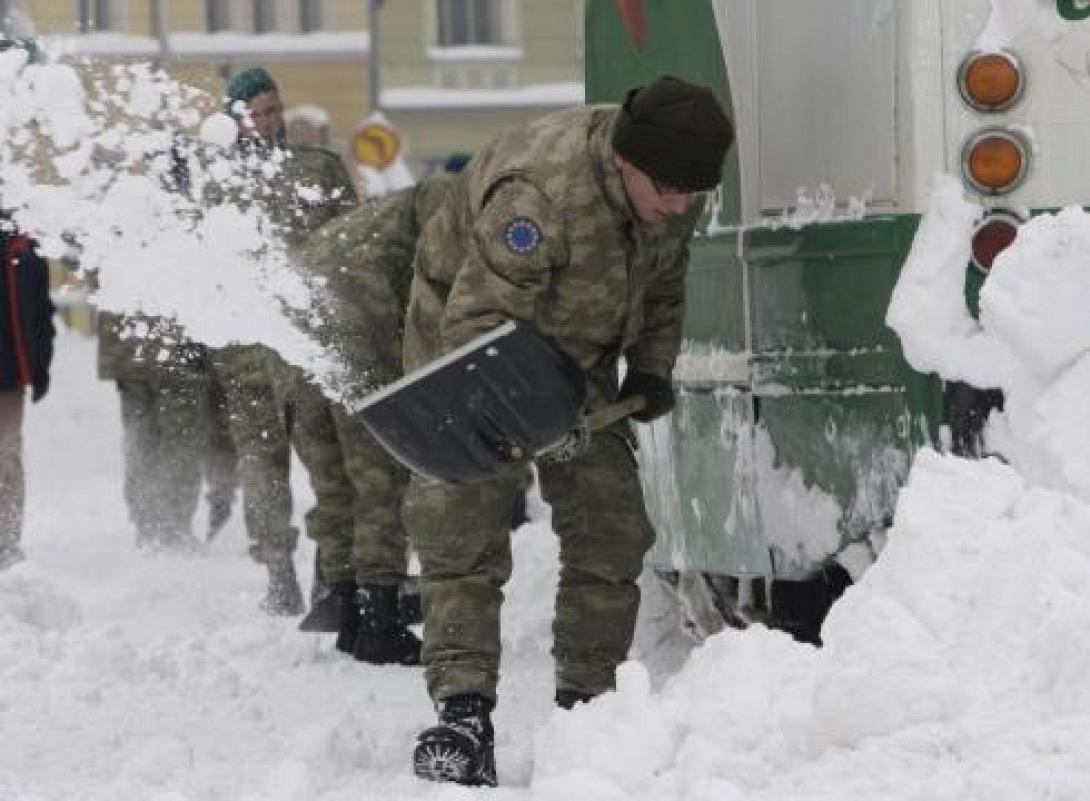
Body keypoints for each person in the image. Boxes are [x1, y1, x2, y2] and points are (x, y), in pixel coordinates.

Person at [402, 75, 733, 786]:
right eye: (669, 192)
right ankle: (463, 713)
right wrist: (532, 422)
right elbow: (477, 324)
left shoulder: (669, 188)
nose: (678, 208)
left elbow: (668, 283)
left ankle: (588, 707)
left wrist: (648, 369)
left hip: (574, 353)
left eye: (691, 195)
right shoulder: (539, 196)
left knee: (612, 522)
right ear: (627, 162)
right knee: (463, 517)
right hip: (466, 345)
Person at [275, 172, 458, 664]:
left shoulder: (374, 217)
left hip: (291, 341)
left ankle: (345, 604)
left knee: (334, 481)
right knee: (379, 476)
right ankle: (379, 616)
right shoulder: (448, 199)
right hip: (352, 333)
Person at [207, 66, 357, 614]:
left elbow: (351, 243)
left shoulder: (319, 169)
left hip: (305, 343)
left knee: (326, 460)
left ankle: (333, 568)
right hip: (246, 347)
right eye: (255, 114)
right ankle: (277, 570)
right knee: (260, 462)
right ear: (236, 120)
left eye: (274, 110)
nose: (268, 122)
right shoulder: (216, 182)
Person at [1, 210, 55, 569]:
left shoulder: (26, 250)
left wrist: (39, 366)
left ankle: (6, 542)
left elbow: (40, 313)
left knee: (6, 457)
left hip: (7, 375)